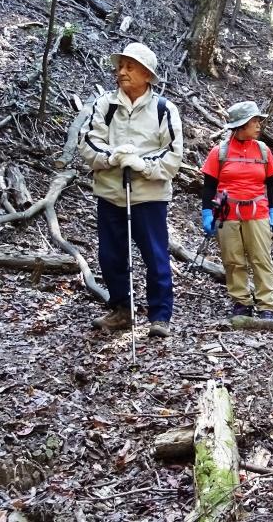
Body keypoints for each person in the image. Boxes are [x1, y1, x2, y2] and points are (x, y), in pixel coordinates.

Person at [79, 42, 183, 338]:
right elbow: (88, 143)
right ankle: (121, 309)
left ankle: (160, 315)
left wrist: (141, 164)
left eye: (129, 67)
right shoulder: (105, 104)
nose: (121, 72)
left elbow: (173, 155)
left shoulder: (164, 109)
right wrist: (111, 157)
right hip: (111, 193)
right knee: (111, 255)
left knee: (155, 255)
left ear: (147, 74)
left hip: (149, 197)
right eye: (120, 66)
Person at [200, 101, 273, 319]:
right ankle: (241, 302)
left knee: (261, 258)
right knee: (233, 259)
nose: (258, 125)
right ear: (242, 125)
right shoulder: (220, 152)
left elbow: (272, 184)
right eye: (254, 121)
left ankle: (267, 305)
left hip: (257, 211)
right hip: (226, 211)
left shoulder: (263, 151)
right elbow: (209, 186)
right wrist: (207, 213)